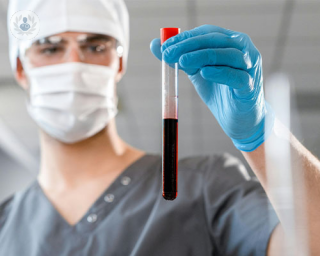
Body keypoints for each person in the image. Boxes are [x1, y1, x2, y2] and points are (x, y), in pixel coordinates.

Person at [1, 0, 320, 255]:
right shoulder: (5, 222)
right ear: (20, 68)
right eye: (50, 48)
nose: (74, 64)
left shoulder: (207, 185)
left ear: (120, 63)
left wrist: (262, 135)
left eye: (95, 46)